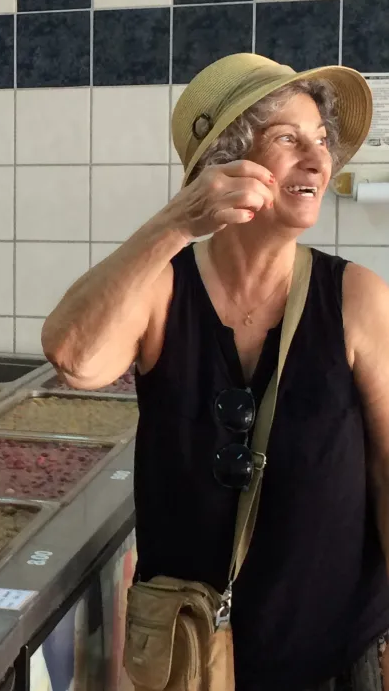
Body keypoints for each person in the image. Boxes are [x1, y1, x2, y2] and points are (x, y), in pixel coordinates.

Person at [41, 53, 389, 690]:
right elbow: (74, 355)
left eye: (321, 141)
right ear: (226, 163)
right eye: (288, 139)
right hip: (191, 660)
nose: (317, 160)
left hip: (334, 655)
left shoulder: (356, 298)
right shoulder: (163, 290)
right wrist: (176, 222)